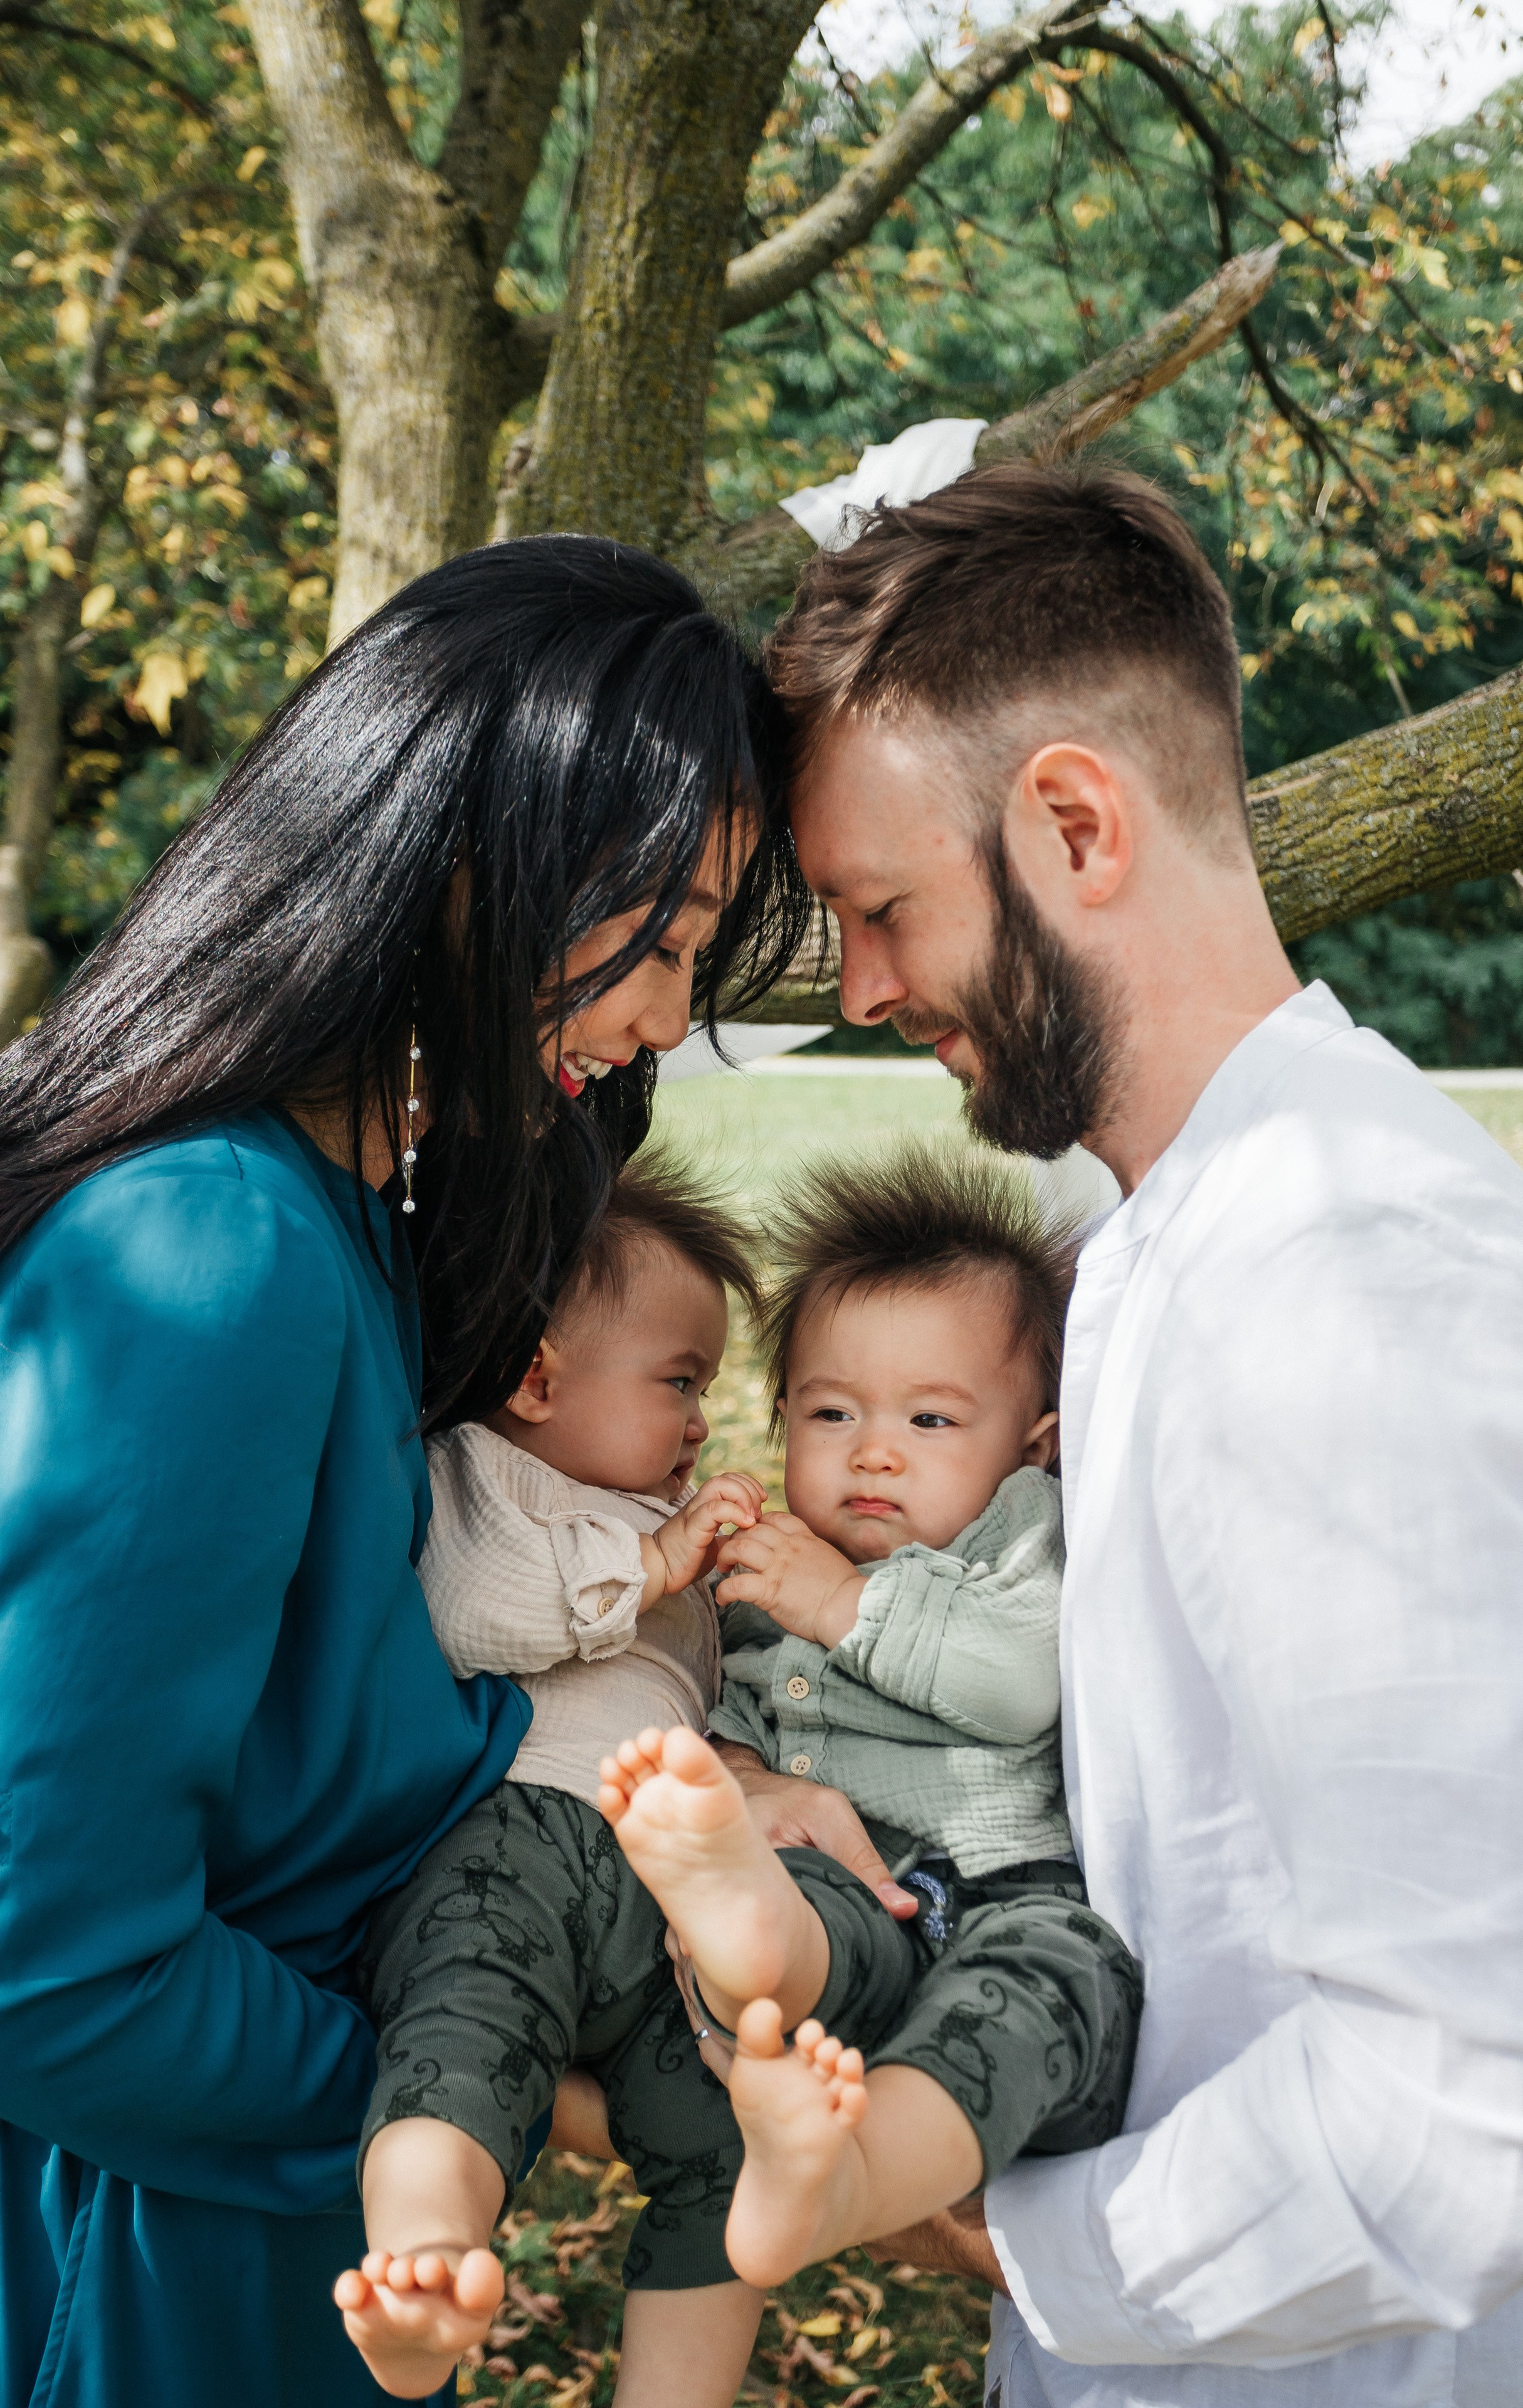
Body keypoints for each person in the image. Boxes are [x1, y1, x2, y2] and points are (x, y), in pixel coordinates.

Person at [739, 458, 1523, 2407]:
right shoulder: (1156, 1225)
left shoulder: (1345, 1279)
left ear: (1072, 820)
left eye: (883, 911)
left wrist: (994, 2234)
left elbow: (1481, 2112)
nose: (866, 986)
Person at [0, 534, 814, 2408]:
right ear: (474, 852)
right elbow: (52, 1957)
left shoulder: (361, 1219)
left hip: (300, 2214)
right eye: (667, 934)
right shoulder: (208, 1260)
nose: (672, 1017)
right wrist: (470, 2103)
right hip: (160, 2252)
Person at [604, 1144, 1141, 2290]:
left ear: (1030, 1443)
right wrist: (737, 1768)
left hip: (1000, 1894)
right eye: (833, 1411)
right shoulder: (763, 1568)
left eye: (933, 1422)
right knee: (793, 1907)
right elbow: (720, 1700)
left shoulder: (1018, 1534)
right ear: (784, 1415)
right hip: (843, 1906)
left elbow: (1016, 1682)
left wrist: (849, 1606)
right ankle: (751, 1941)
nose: (874, 1453)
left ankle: (858, 2171)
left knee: (1062, 1983)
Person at [337, 1156, 772, 2404]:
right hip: (511, 1847)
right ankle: (420, 2266)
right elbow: (468, 1610)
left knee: (727, 2147)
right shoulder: (482, 1471)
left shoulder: (647, 1520)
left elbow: (704, 1695)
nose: (701, 1423)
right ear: (534, 1378)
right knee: (461, 2044)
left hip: (661, 1892)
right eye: (679, 1382)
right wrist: (645, 1568)